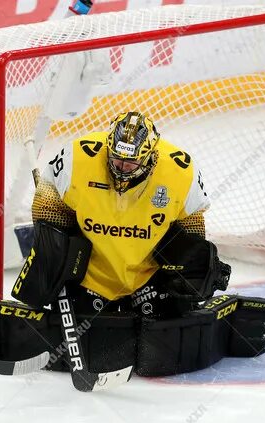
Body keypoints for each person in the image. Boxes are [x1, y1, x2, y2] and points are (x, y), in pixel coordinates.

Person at [26, 111, 229, 316]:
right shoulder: (78, 156)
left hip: (149, 277)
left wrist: (190, 260)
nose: (122, 168)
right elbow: (48, 195)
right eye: (116, 159)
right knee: (94, 336)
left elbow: (191, 219)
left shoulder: (181, 170)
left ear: (149, 156)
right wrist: (54, 245)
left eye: (130, 163)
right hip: (90, 277)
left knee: (165, 335)